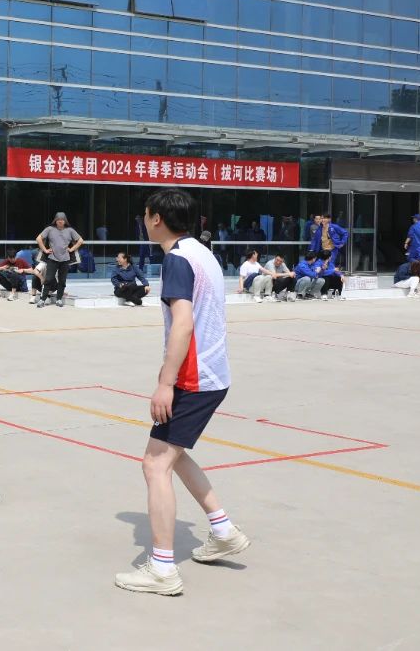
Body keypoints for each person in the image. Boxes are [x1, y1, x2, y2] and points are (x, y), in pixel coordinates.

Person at [114, 188, 249, 596]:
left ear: (156, 218)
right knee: (173, 454)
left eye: (145, 215)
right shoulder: (202, 253)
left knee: (155, 464)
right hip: (212, 373)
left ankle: (162, 568)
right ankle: (223, 530)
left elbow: (184, 323)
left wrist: (165, 383)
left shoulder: (176, 259)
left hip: (193, 378)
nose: (144, 222)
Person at [36, 212, 83, 307]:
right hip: (52, 258)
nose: (60, 221)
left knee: (62, 280)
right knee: (48, 279)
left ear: (65, 221)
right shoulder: (49, 229)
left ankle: (59, 299)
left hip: (65, 259)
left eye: (62, 220)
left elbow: (80, 241)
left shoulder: (70, 230)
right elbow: (38, 238)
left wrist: (71, 249)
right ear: (55, 221)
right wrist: (45, 250)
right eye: (58, 220)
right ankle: (42, 299)